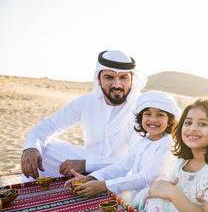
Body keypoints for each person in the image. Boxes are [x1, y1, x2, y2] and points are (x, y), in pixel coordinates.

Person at [20, 50, 147, 182]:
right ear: (99, 79)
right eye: (109, 77)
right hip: (87, 162)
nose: (116, 84)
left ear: (132, 80)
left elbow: (136, 159)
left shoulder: (142, 108)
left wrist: (85, 164)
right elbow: (50, 125)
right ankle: (33, 197)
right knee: (42, 146)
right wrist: (31, 147)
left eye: (123, 77)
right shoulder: (87, 102)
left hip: (121, 171)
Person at [64, 91, 180, 204]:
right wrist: (92, 178)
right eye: (147, 114)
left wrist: (103, 186)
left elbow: (145, 178)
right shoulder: (142, 142)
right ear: (141, 117)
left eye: (160, 115)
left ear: (169, 121)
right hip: (136, 198)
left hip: (156, 202)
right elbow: (122, 166)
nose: (153, 119)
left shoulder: (167, 145)